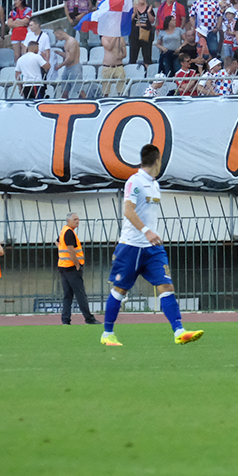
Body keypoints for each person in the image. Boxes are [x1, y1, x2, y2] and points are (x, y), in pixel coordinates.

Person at [101, 144, 204, 346]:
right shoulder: (134, 182)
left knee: (166, 285)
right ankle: (107, 334)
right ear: (158, 161)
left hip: (152, 248)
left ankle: (179, 332)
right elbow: (128, 211)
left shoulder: (155, 185)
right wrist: (146, 231)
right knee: (120, 289)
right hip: (131, 246)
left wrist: (151, 235)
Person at [56, 213, 97, 325]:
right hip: (71, 268)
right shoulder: (69, 232)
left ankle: (65, 320)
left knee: (67, 295)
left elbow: (58, 242)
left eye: (78, 219)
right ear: (68, 220)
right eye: (74, 219)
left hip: (63, 266)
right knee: (80, 294)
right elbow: (70, 250)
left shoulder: (64, 230)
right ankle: (89, 319)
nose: (77, 221)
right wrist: (77, 265)